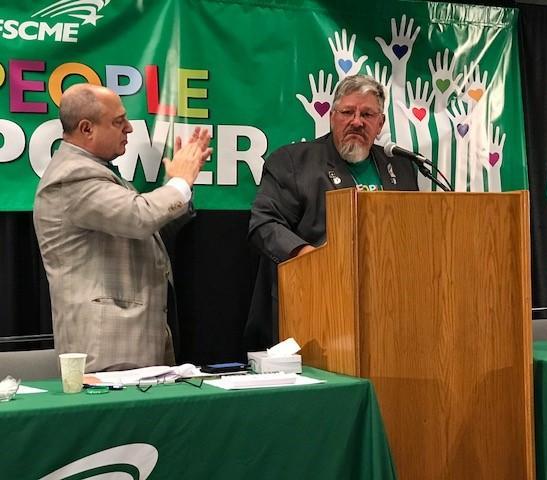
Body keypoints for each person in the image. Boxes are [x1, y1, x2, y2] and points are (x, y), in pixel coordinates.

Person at [33, 83, 212, 372]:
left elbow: (146, 234)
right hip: (107, 348)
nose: (129, 128)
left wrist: (184, 188)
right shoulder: (73, 176)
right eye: (118, 122)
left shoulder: (100, 172)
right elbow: (139, 217)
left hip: (133, 341)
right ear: (86, 128)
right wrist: (179, 183)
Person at [246, 74, 419, 350]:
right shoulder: (293, 162)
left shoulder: (400, 166)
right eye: (347, 112)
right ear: (331, 115)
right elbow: (264, 223)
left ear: (381, 123)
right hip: (317, 308)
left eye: (367, 114)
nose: (357, 122)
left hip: (389, 310)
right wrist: (309, 259)